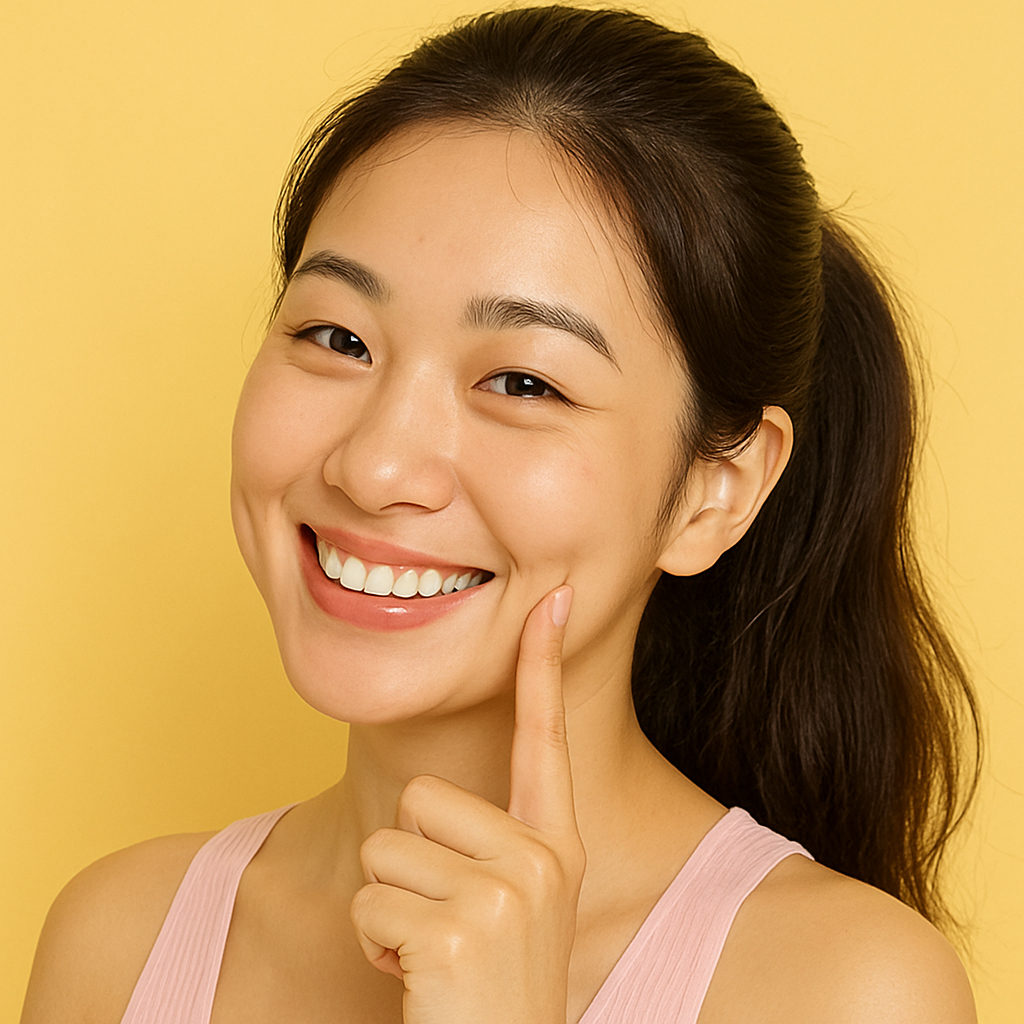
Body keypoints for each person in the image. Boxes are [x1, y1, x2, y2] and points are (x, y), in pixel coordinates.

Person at [21, 6, 980, 1022]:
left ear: (717, 490)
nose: (375, 465)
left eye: (523, 383)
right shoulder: (117, 941)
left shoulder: (845, 990)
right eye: (338, 337)